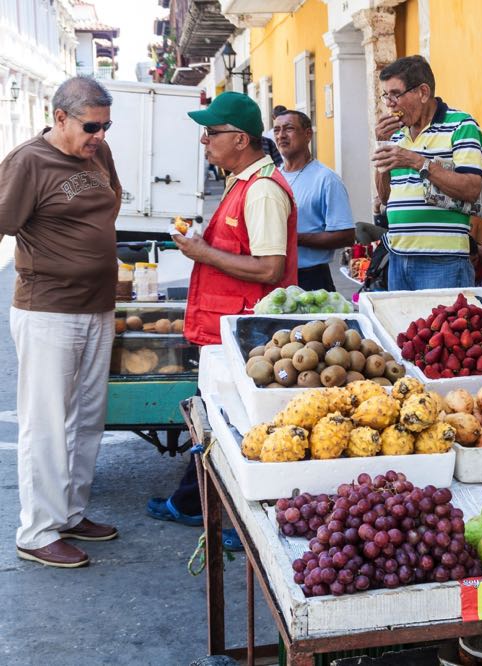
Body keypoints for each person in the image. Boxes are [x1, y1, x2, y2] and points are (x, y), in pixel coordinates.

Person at [147, 92, 298, 536]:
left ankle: (241, 515)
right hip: (231, 327)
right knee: (222, 420)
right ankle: (202, 503)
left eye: (211, 132)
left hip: (248, 331)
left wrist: (202, 251)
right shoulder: (243, 182)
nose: (203, 140)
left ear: (239, 138)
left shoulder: (264, 191)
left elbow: (270, 267)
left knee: (239, 424)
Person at [0, 77, 121, 568]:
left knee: (86, 418)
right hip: (48, 308)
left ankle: (69, 512)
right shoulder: (28, 161)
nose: (100, 135)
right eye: (92, 126)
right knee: (47, 422)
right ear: (61, 118)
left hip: (98, 304)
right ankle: (36, 530)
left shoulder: (99, 155)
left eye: (107, 125)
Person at [371, 55, 482, 291]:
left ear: (423, 92)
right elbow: (385, 197)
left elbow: (472, 189)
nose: (389, 103)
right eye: (385, 95)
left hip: (442, 261)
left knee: (440, 328)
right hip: (398, 255)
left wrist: (418, 162)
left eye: (396, 94)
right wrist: (381, 144)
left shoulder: (461, 125)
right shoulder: (395, 135)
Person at [275, 109, 355, 291]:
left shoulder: (326, 179)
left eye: (288, 129)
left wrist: (293, 238)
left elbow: (346, 235)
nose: (281, 135)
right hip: (274, 277)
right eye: (277, 130)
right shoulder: (272, 177)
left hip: (311, 279)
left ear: (307, 134)